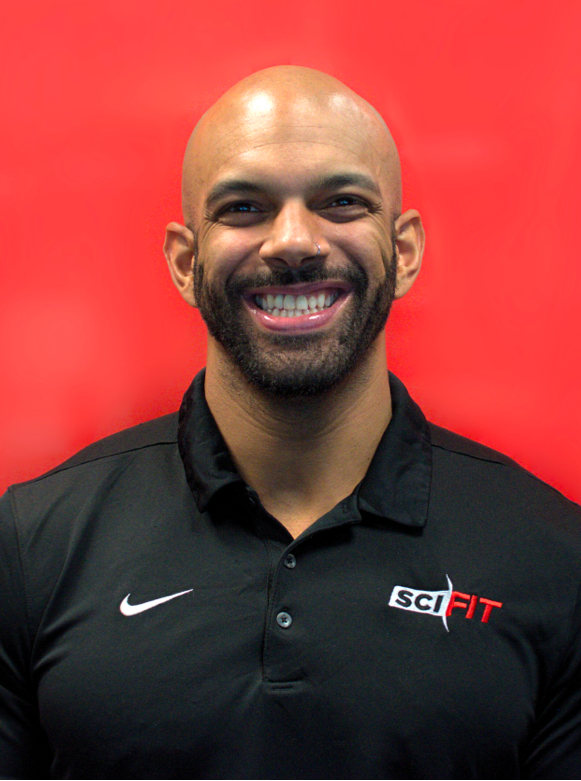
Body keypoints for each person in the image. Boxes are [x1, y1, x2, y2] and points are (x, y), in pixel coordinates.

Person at [1, 66, 580, 780]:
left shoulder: (555, 561)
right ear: (185, 263)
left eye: (341, 202)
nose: (294, 241)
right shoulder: (31, 548)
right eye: (244, 207)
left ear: (403, 252)